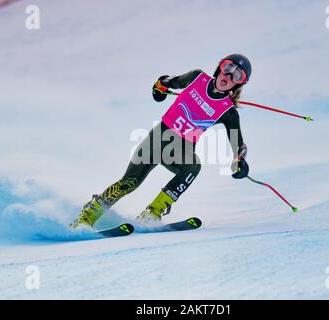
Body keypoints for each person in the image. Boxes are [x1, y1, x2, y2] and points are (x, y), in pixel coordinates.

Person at [70, 53, 252, 228]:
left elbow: (238, 146)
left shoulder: (228, 111)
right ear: (219, 67)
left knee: (193, 165)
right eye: (227, 67)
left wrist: (239, 162)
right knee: (129, 183)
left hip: (181, 151)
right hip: (158, 139)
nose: (228, 75)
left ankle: (153, 212)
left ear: (239, 84)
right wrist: (160, 86)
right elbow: (167, 82)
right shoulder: (197, 78)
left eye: (236, 75)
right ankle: (88, 216)